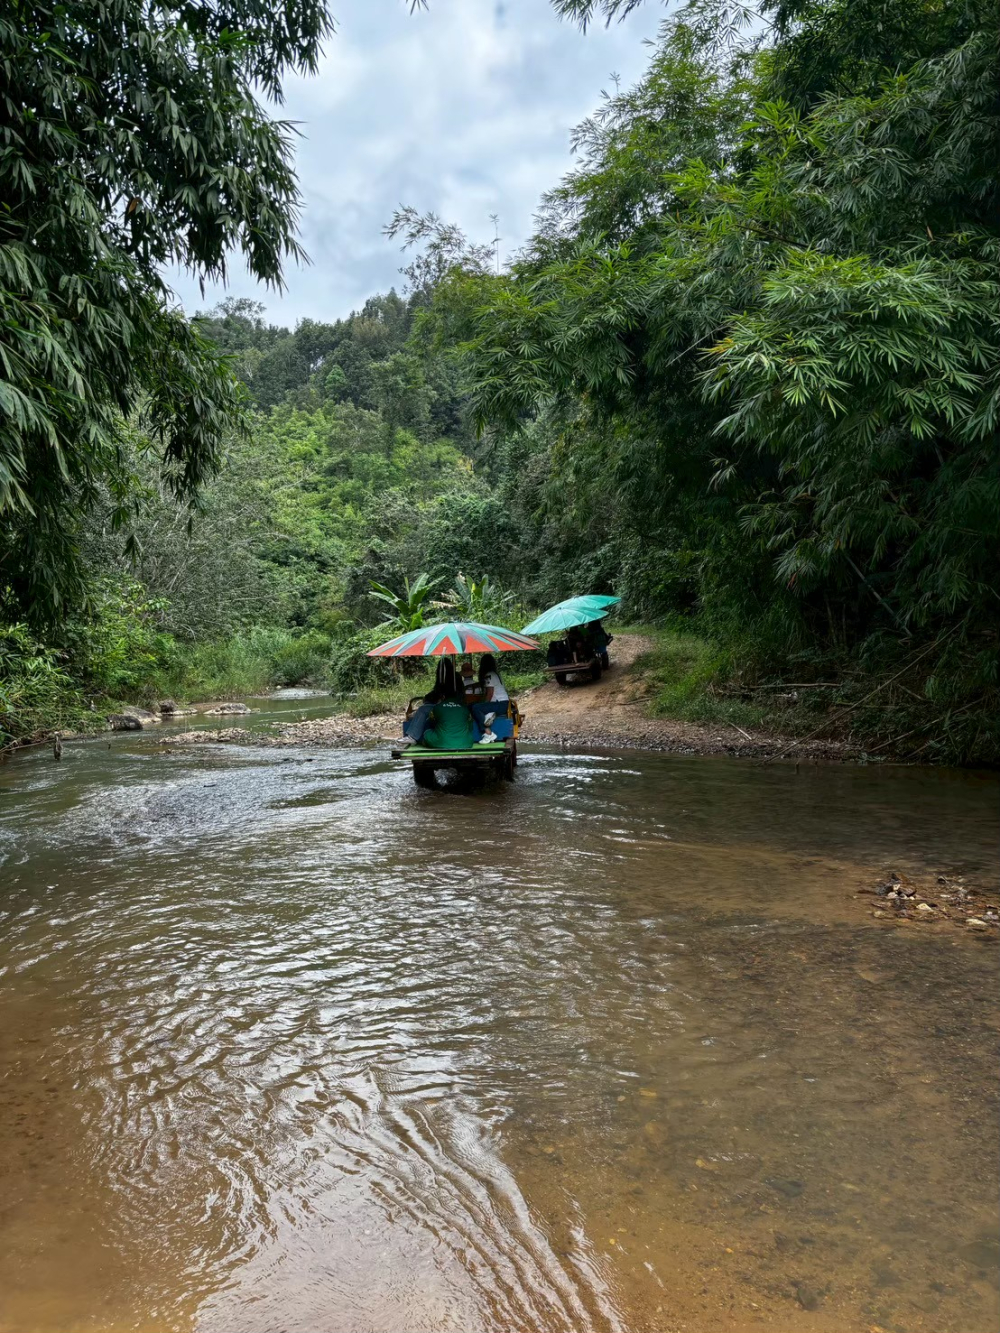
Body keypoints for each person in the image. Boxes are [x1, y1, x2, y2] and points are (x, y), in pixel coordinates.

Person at [420, 659, 476, 750]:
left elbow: (433, 721)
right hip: (465, 741)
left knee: (427, 729)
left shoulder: (439, 707)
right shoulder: (464, 709)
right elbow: (470, 725)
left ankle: (422, 739)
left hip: (443, 735)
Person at [471, 654, 513, 739]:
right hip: (504, 704)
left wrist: (484, 706)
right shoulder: (495, 674)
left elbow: (490, 693)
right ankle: (489, 715)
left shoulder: (489, 675)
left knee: (476, 708)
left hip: (499, 704)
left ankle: (488, 733)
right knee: (472, 706)